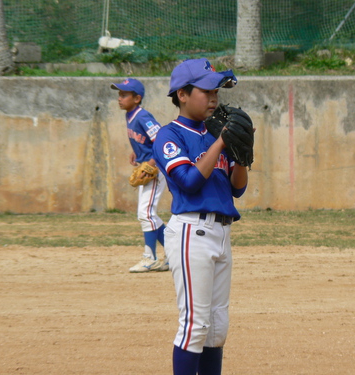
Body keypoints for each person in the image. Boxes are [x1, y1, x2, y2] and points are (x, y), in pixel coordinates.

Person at [152, 58, 249, 374]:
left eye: (216, 91)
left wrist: (243, 155)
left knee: (217, 328)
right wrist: (223, 140)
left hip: (222, 233)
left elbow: (237, 189)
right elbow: (190, 182)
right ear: (182, 94)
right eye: (206, 90)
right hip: (191, 232)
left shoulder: (216, 132)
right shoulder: (169, 136)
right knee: (195, 326)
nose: (213, 98)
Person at [110, 78, 168, 273]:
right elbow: (145, 141)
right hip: (148, 167)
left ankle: (149, 257)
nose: (119, 98)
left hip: (155, 171)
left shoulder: (143, 116)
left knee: (146, 214)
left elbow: (161, 140)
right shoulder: (130, 115)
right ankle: (172, 254)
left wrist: (150, 164)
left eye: (124, 95)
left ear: (137, 98)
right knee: (148, 215)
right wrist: (137, 152)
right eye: (119, 94)